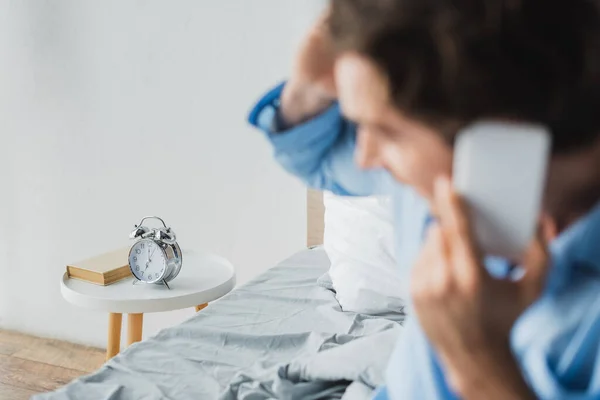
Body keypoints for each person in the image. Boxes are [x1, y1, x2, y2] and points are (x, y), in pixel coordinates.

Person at [248, 0, 600, 399]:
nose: (365, 156)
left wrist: (479, 366)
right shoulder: (438, 183)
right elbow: (319, 160)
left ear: (502, 136)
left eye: (388, 131)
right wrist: (307, 91)